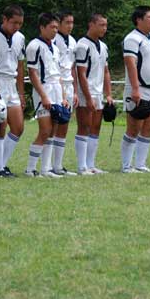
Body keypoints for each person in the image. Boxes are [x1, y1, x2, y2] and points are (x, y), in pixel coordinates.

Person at [120, 5, 150, 173]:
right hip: (139, 88)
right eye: (149, 17)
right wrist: (135, 89)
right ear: (139, 20)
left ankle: (140, 164)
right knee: (134, 128)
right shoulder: (132, 38)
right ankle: (126, 165)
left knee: (149, 127)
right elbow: (130, 63)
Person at [25, 13, 70, 178]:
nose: (55, 30)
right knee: (45, 130)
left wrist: (63, 97)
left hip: (57, 91)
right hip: (43, 91)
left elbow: (59, 75)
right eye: (52, 27)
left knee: (53, 130)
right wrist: (43, 96)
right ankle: (30, 169)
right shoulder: (34, 46)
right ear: (42, 27)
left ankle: (46, 169)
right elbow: (33, 73)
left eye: (57, 27)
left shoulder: (55, 48)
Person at [0, 5, 26, 178]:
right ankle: (0, 169)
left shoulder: (20, 38)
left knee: (18, 127)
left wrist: (21, 93)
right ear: (4, 19)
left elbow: (20, 65)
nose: (17, 26)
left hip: (12, 84)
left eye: (20, 23)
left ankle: (0, 165)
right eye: (14, 22)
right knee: (0, 128)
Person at [74, 13, 113, 175]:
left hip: (98, 92)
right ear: (91, 24)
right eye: (101, 25)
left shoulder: (103, 46)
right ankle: (81, 166)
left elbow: (106, 71)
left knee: (96, 127)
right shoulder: (82, 45)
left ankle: (91, 164)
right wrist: (88, 97)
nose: (105, 28)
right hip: (86, 92)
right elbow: (81, 73)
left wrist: (108, 94)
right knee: (84, 126)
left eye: (106, 25)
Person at [51, 11, 78, 176]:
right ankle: (47, 166)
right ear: (59, 23)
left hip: (69, 86)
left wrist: (74, 90)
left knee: (64, 125)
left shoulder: (73, 41)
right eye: (67, 22)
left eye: (72, 22)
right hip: (56, 85)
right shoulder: (53, 40)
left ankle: (58, 165)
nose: (70, 26)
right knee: (52, 126)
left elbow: (73, 67)